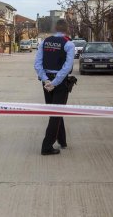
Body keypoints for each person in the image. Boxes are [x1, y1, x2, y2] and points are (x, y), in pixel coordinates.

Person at [34, 19, 75, 155]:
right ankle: (47, 146)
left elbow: (37, 64)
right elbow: (67, 66)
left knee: (55, 112)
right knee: (55, 114)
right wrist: (55, 82)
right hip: (60, 82)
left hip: (46, 82)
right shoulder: (68, 44)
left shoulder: (45, 42)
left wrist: (46, 81)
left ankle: (62, 141)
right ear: (67, 29)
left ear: (55, 28)